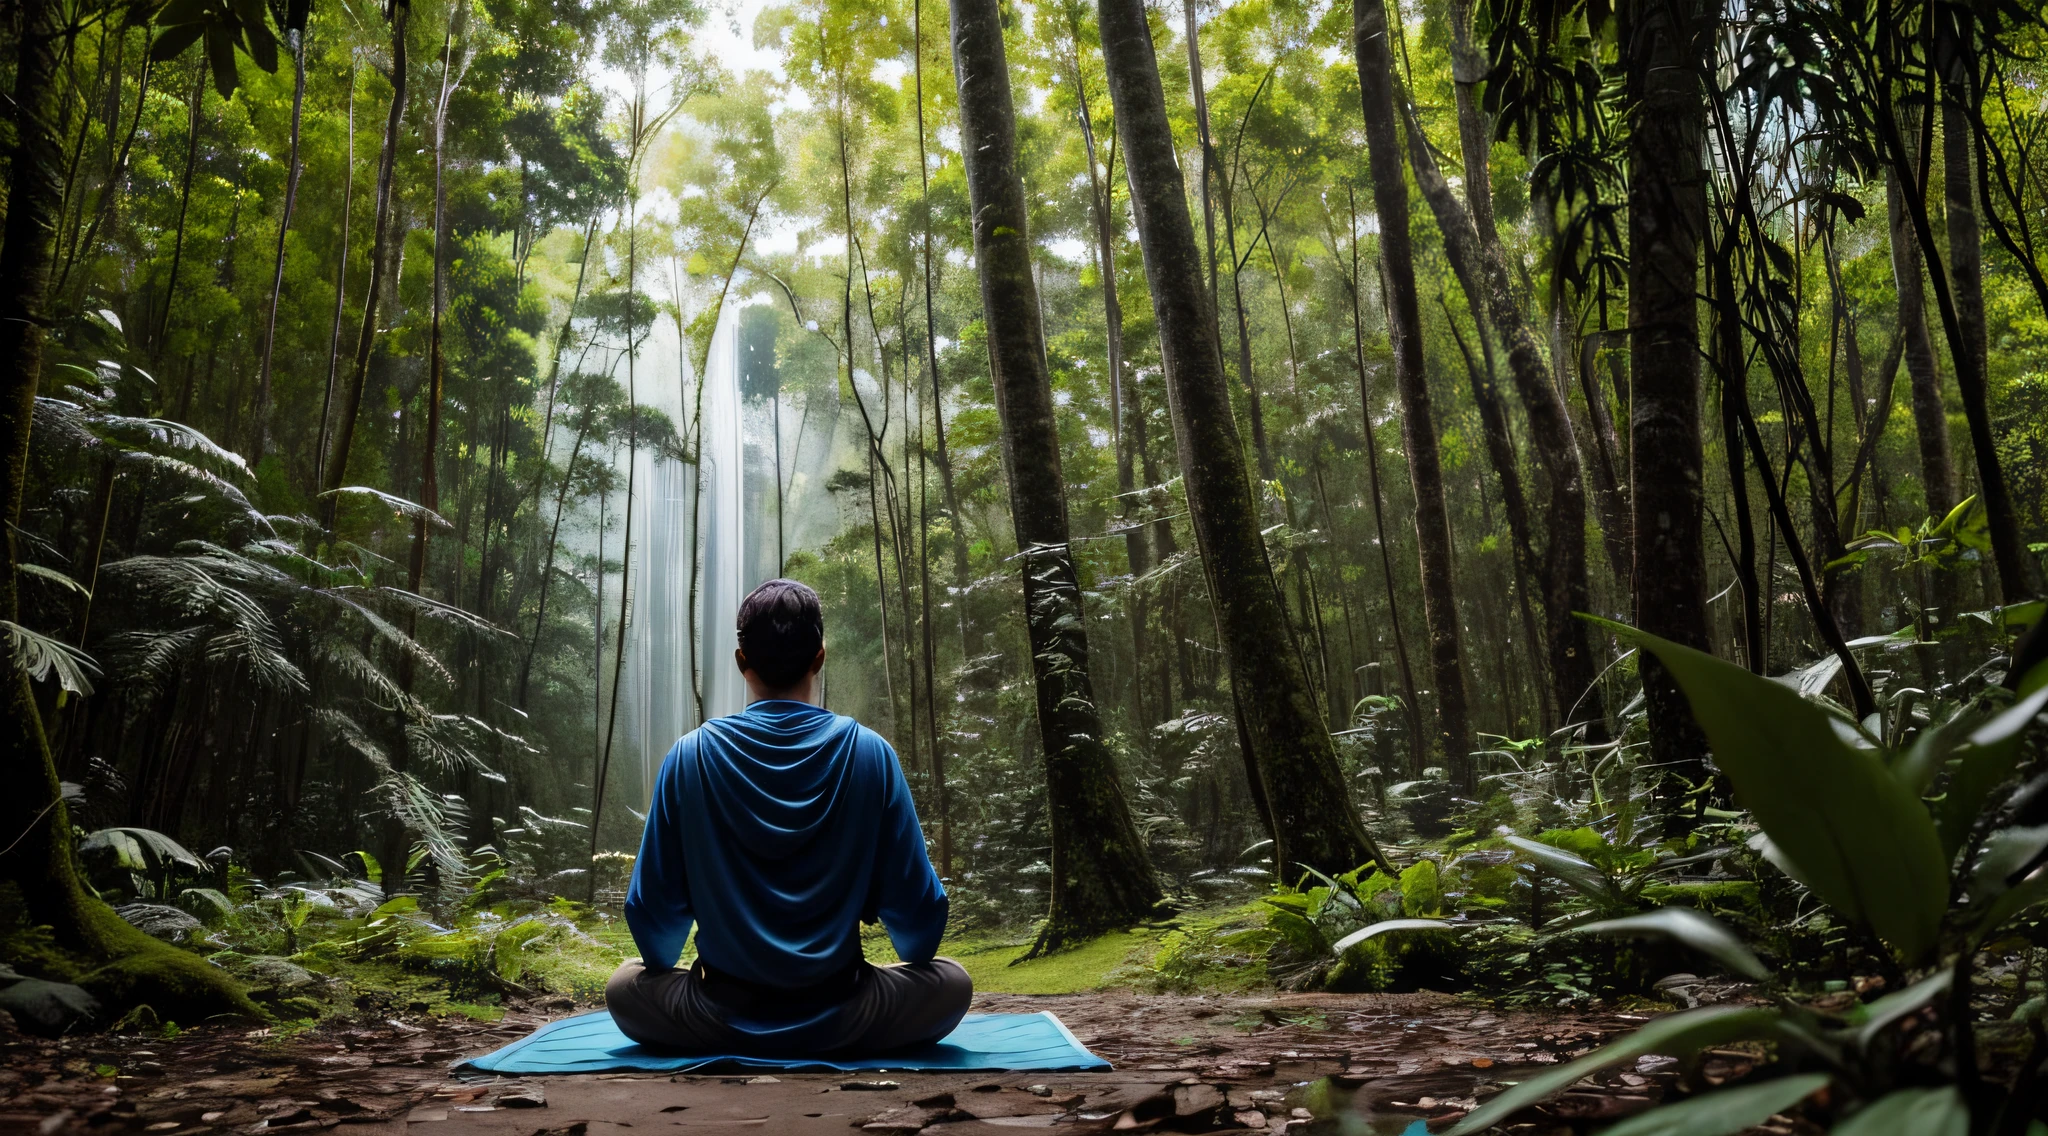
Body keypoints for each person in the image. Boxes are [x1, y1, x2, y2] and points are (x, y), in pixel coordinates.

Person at [605, 579, 971, 1054]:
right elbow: (920, 939)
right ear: (820, 656)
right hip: (846, 1014)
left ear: (742, 662)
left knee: (625, 986)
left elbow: (655, 943)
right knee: (952, 982)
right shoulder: (871, 754)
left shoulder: (689, 756)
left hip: (717, 1015)